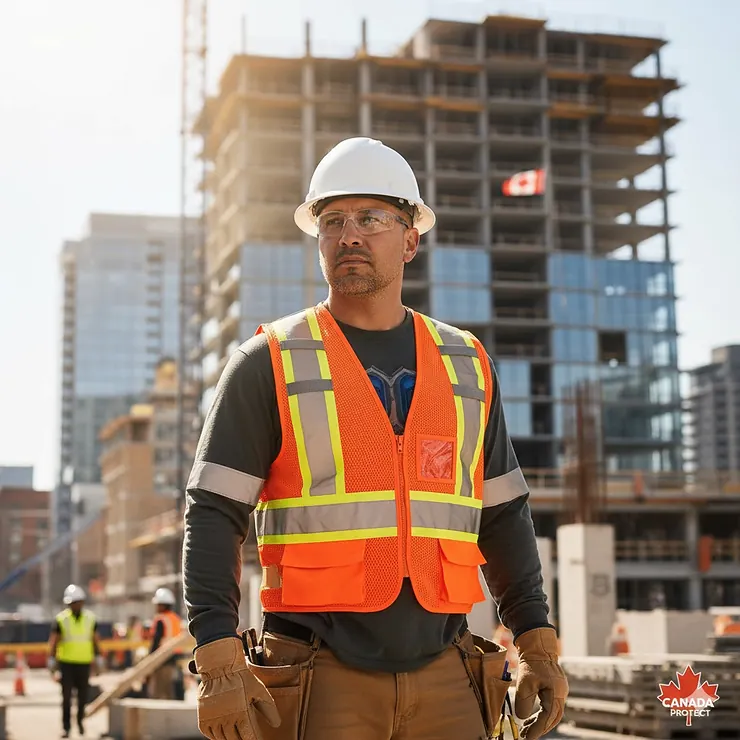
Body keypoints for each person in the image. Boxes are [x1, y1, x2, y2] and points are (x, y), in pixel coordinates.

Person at [183, 137, 569, 740]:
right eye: (332, 221)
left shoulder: (466, 363)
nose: (349, 236)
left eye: (370, 218)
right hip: (318, 677)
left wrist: (537, 643)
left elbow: (502, 515)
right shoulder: (270, 362)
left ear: (411, 238)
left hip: (449, 676)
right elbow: (212, 514)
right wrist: (217, 657)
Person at [47, 584, 103, 738]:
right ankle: (66, 727)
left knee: (82, 696)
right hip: (66, 663)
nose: (75, 605)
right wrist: (52, 660)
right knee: (66, 697)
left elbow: (95, 640)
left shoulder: (90, 619)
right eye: (72, 603)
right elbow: (54, 641)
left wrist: (98, 658)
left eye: (77, 602)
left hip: (84, 663)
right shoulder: (61, 619)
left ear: (82, 602)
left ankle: (80, 722)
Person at [148, 587, 182, 699]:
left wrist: (150, 658)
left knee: (159, 690)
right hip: (174, 658)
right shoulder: (175, 619)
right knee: (169, 689)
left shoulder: (160, 620)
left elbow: (156, 640)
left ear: (163, 605)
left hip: (162, 659)